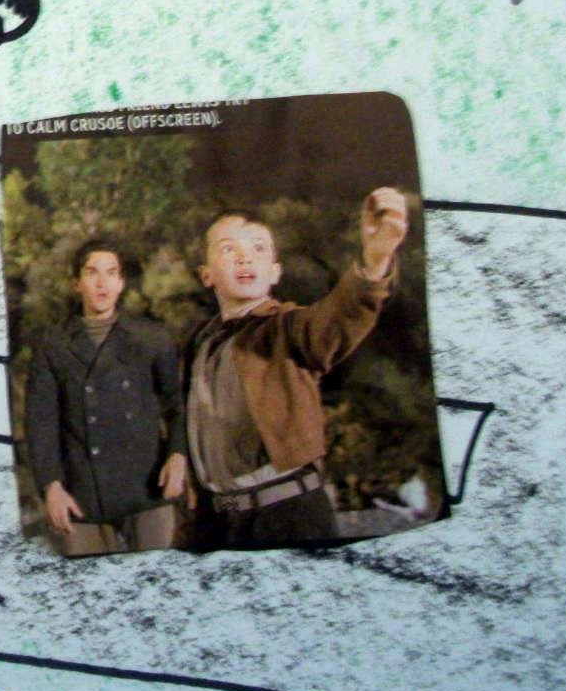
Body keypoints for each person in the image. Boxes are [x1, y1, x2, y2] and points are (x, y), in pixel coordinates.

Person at [183, 191, 409, 548]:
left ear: (275, 272)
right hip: (218, 522)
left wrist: (375, 262)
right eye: (228, 248)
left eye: (258, 248)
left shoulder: (287, 328)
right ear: (206, 274)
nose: (244, 257)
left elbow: (337, 318)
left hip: (287, 516)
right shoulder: (199, 343)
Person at [23, 239, 186, 556]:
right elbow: (41, 422)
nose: (102, 283)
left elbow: (176, 406)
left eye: (111, 273)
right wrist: (51, 486)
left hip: (149, 488)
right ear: (76, 283)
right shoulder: (53, 344)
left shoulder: (151, 337)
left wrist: (177, 456)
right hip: (82, 494)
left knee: (158, 578)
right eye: (92, 273)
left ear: (121, 283)